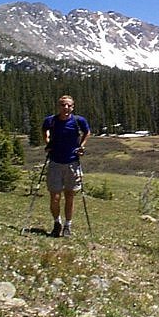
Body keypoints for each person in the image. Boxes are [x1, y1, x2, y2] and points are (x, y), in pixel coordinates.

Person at [42, 95, 91, 237]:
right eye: (63, 105)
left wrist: (81, 146)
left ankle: (67, 225)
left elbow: (87, 132)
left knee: (70, 196)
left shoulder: (78, 121)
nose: (66, 108)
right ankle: (57, 223)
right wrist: (48, 143)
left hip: (72, 163)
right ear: (59, 106)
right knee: (55, 197)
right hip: (55, 163)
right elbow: (44, 130)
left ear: (73, 107)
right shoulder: (50, 120)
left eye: (69, 105)